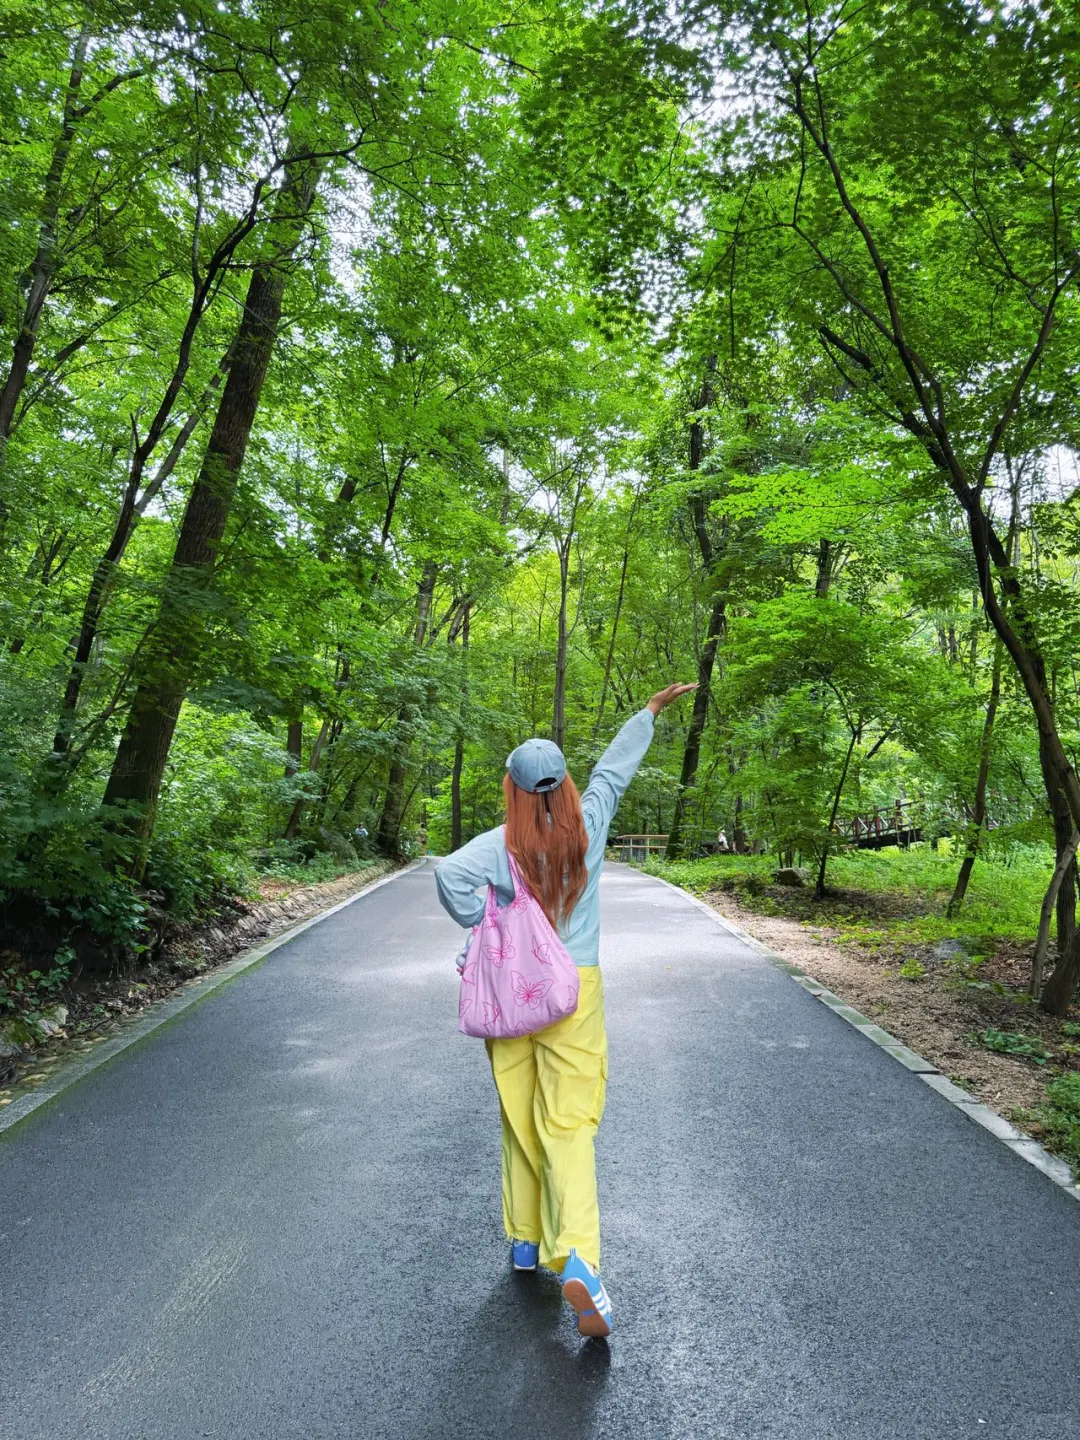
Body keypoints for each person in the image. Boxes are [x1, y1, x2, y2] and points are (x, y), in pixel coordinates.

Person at [434, 682, 696, 1339]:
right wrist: (649, 713)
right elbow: (615, 770)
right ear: (566, 785)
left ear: (515, 791)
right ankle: (576, 1253)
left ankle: (525, 1242)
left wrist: (485, 919)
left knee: (519, 1113)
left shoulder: (500, 845)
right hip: (572, 989)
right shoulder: (591, 821)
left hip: (507, 989)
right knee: (568, 1123)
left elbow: (448, 877)